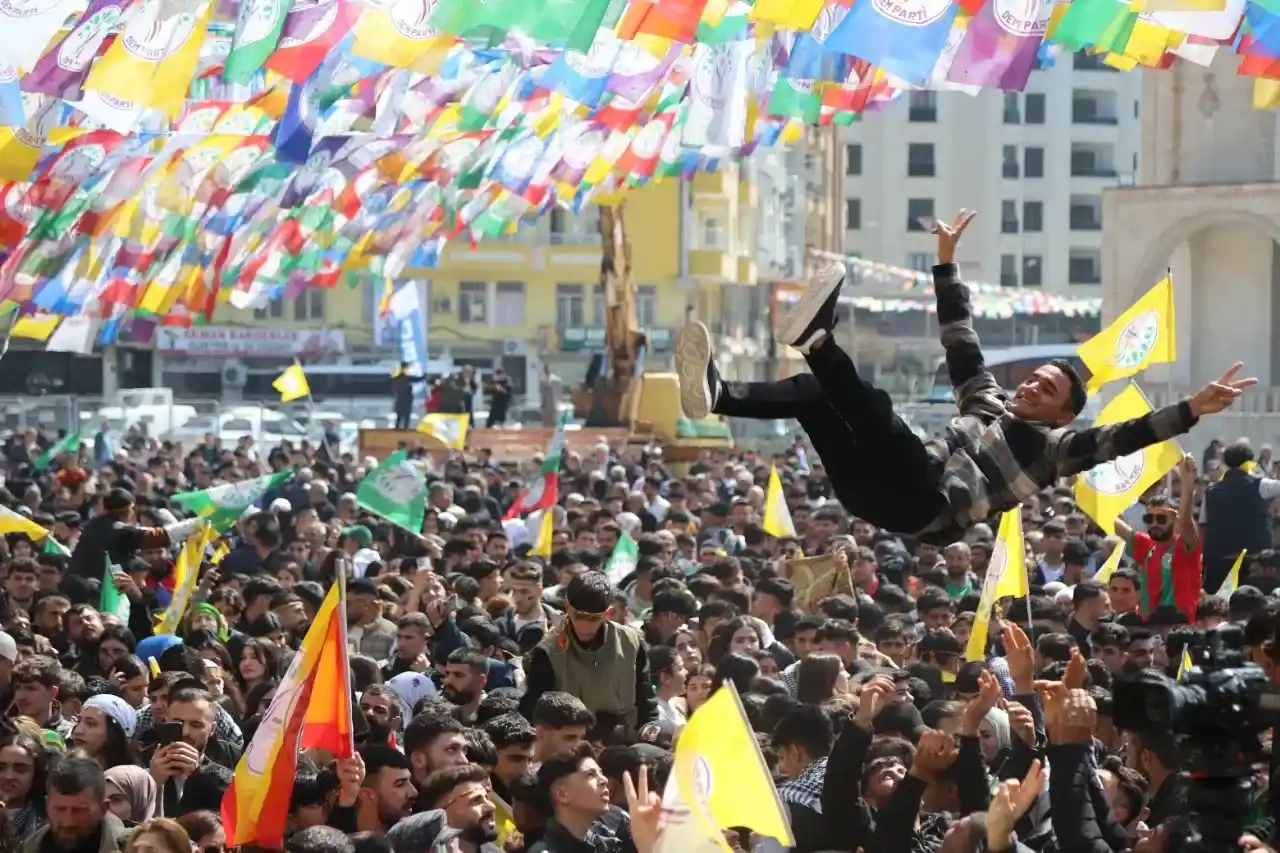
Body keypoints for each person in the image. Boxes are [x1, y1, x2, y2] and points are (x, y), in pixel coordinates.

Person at [674, 209, 1257, 542]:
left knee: (875, 408)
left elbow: (1126, 436)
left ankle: (817, 341)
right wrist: (946, 262)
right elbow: (961, 335)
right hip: (865, 490)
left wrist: (1192, 408)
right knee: (813, 396)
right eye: (1034, 378)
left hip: (925, 503)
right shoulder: (985, 400)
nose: (1030, 385)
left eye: (1047, 389)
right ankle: (719, 394)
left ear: (1063, 413)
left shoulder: (1055, 451)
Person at [519, 572, 657, 740]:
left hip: (623, 739)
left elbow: (645, 700)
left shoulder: (631, 642)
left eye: (593, 619)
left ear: (608, 613)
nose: (584, 626)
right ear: (567, 607)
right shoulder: (549, 652)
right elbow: (535, 709)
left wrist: (649, 731)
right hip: (570, 743)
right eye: (579, 616)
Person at [1201, 439, 1280, 591]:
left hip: (1220, 562)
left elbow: (1203, 527)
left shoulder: (1210, 492)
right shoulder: (1261, 485)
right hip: (1257, 563)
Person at [390, 363, 426, 431]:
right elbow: (417, 379)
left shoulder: (395, 378)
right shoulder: (406, 378)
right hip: (406, 399)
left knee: (399, 415)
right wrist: (424, 375)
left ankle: (397, 428)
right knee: (406, 415)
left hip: (399, 399)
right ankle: (404, 428)